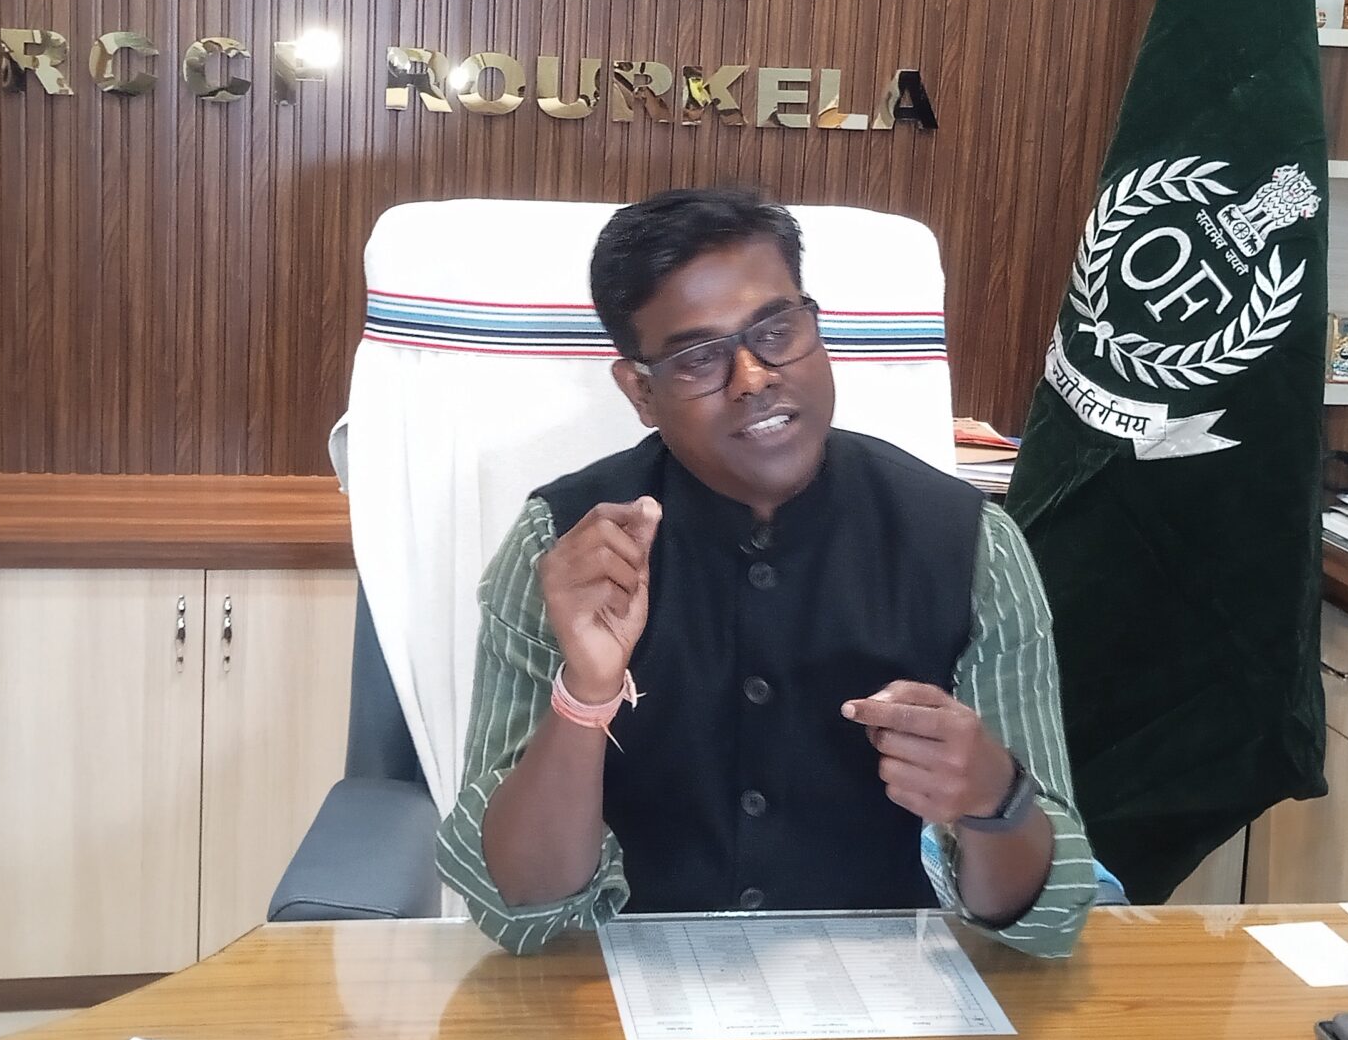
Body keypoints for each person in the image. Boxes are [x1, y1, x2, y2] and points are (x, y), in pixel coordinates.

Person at [435, 187, 1121, 956]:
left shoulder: (970, 546)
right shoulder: (567, 551)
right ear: (641, 391)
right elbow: (520, 908)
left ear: (814, 327)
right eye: (698, 357)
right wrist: (586, 696)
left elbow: (1049, 921)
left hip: (892, 999)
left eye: (776, 331)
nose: (753, 377)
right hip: (617, 999)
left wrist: (995, 798)